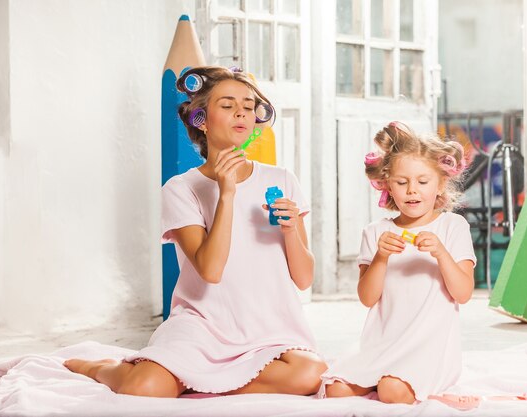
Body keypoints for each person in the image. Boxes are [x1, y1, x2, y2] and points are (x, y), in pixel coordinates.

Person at [64, 66, 326, 398]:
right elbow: (210, 270)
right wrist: (227, 194)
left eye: (248, 105)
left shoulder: (282, 179)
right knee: (142, 387)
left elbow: (304, 279)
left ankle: (196, 380)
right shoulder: (181, 188)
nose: (241, 113)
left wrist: (290, 231)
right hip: (202, 326)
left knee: (310, 374)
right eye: (228, 105)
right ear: (201, 119)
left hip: (269, 329)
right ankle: (101, 367)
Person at [321, 121, 476, 404]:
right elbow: (368, 299)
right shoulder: (376, 232)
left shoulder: (452, 226)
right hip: (383, 344)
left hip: (428, 347)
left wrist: (441, 253)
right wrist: (380, 258)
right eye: (402, 183)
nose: (412, 191)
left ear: (441, 182)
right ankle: (384, 380)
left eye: (422, 181)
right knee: (335, 389)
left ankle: (436, 396)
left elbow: (463, 293)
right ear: (387, 185)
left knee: (392, 390)